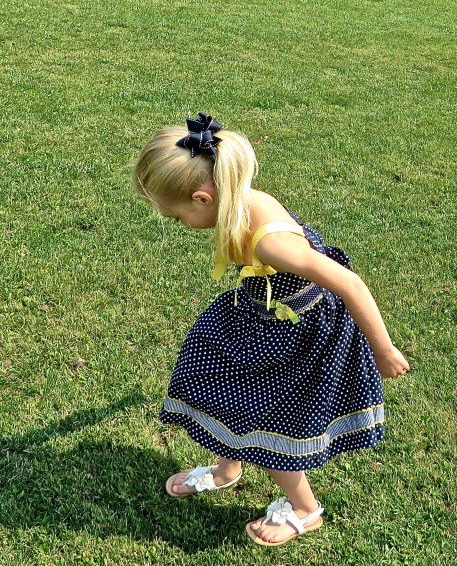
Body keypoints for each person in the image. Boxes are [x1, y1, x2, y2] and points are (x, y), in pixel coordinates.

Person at [133, 113, 409, 547]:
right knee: (216, 385)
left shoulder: (271, 242)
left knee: (270, 420)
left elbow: (349, 283)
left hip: (296, 337)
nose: (181, 223)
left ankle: (305, 509)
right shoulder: (237, 196)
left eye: (178, 216)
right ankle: (227, 468)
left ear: (203, 198)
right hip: (258, 318)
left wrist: (384, 351)